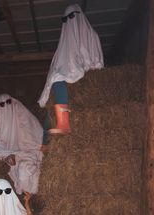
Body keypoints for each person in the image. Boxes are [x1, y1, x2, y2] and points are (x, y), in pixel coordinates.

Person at [38, 4, 104, 133]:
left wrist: (86, 68)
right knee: (56, 79)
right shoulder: (65, 40)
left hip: (86, 72)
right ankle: (46, 142)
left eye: (72, 16)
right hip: (72, 72)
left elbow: (97, 61)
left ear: (79, 16)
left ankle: (64, 123)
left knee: (57, 79)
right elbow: (61, 62)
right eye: (65, 19)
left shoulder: (92, 35)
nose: (69, 21)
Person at [0, 93, 45, 195]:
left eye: (8, 102)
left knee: (24, 170)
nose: (6, 106)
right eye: (2, 104)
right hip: (5, 149)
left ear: (13, 103)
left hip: (23, 151)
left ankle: (9, 156)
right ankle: (7, 155)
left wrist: (38, 147)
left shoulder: (22, 115)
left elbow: (36, 133)